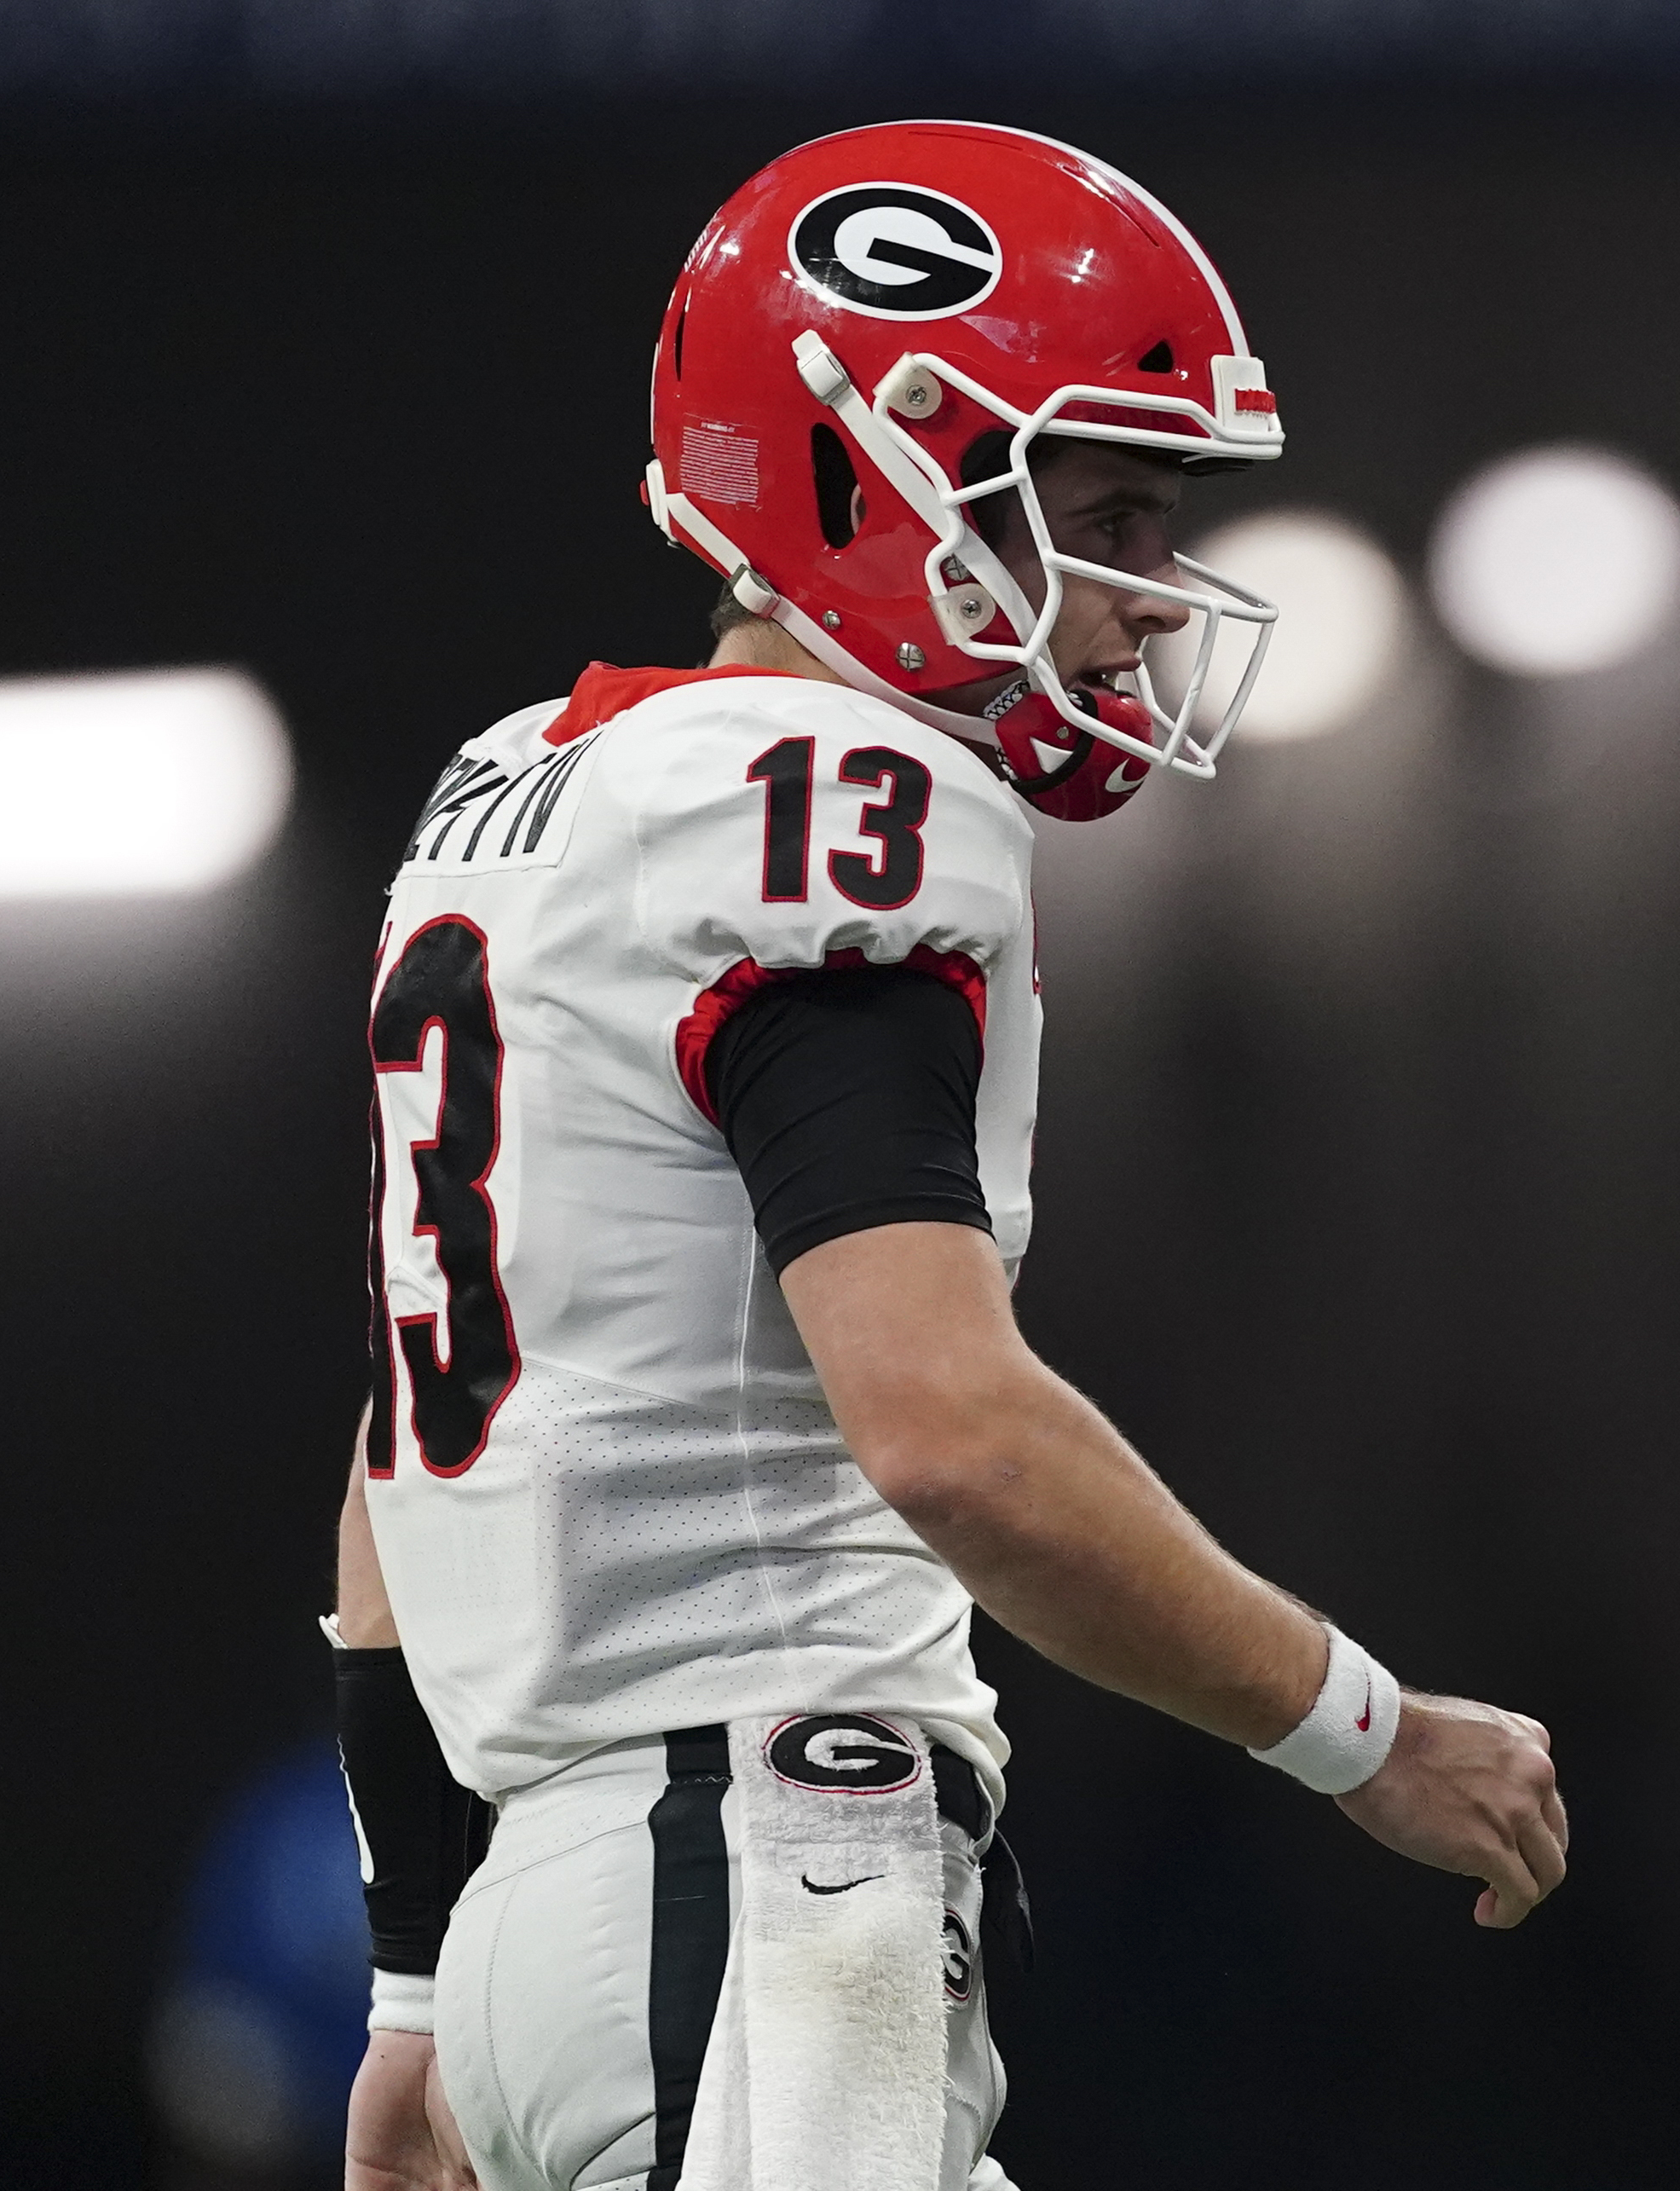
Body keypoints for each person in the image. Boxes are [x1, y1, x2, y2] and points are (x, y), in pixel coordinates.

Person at [326, 122, 1567, 2191]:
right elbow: (951, 1434)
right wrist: (1362, 1730)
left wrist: (414, 1983)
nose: (1146, 594)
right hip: (766, 1869)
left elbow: (399, 1457)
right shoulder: (827, 806)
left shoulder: (520, 797)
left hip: (560, 1915)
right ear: (866, 463)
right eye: (1110, 510)